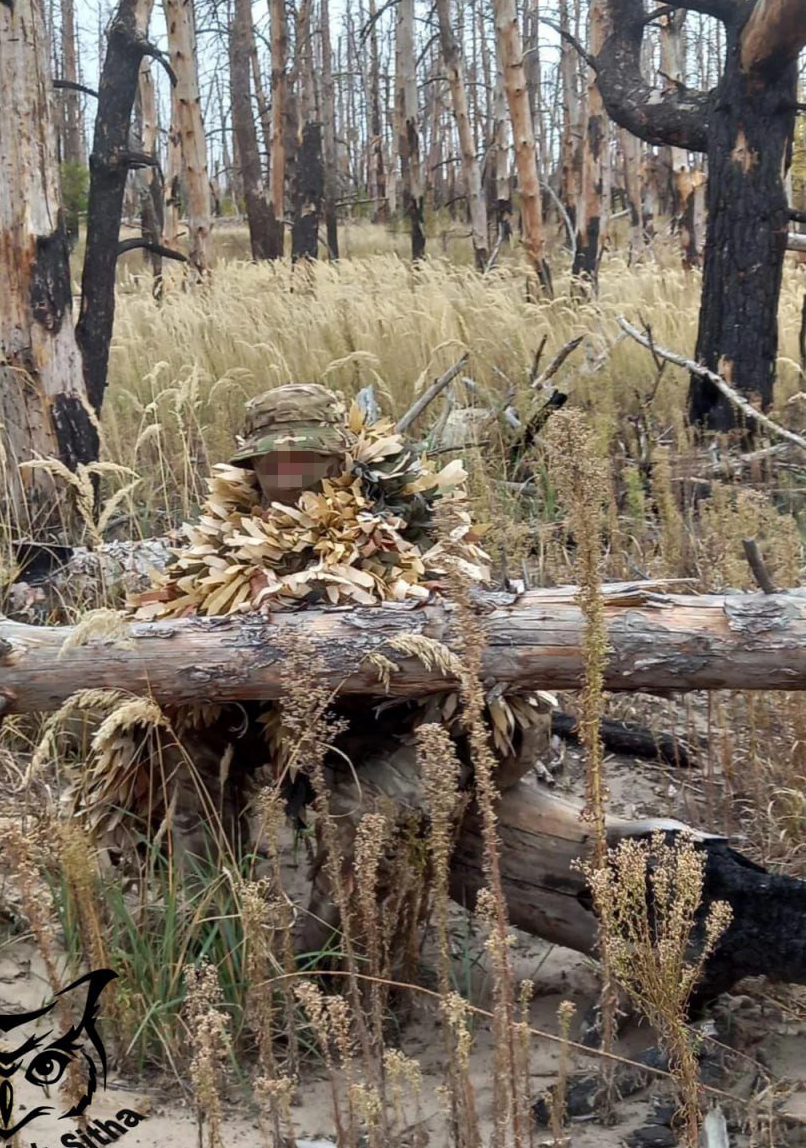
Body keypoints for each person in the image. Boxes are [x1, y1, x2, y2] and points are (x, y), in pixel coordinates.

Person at [74, 383, 553, 948]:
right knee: (181, 751)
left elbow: (463, 643)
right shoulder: (230, 539)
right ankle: (211, 925)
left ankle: (331, 964)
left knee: (359, 809)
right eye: (278, 462)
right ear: (253, 469)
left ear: (342, 461)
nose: (292, 474)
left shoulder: (407, 524)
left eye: (309, 459)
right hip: (298, 718)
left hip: (416, 725)